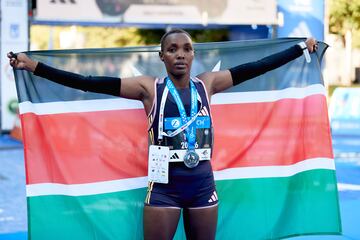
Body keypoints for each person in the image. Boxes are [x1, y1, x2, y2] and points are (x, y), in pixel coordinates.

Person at [8, 29, 318, 240]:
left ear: (194, 55)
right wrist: (34, 66)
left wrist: (300, 49)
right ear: (162, 56)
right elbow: (89, 81)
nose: (180, 55)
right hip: (164, 190)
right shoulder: (148, 89)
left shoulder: (207, 85)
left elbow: (258, 67)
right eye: (172, 50)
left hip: (202, 187)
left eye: (186, 49)